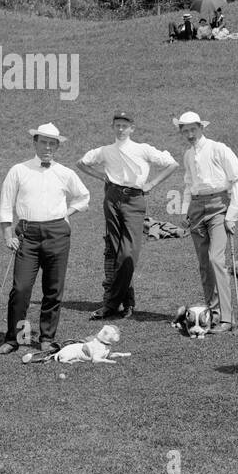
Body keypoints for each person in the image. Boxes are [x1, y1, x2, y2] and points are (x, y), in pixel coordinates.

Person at [0, 123, 90, 355]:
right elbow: (6, 204)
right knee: (21, 288)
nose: (48, 147)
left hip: (57, 234)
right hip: (27, 235)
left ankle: (47, 337)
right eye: (43, 142)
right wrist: (7, 233)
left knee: (53, 288)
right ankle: (15, 338)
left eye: (52, 143)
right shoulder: (18, 170)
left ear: (57, 146)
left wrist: (65, 215)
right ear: (34, 143)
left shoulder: (65, 172)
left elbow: (84, 197)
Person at [76, 111, 178, 320]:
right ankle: (127, 302)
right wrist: (102, 176)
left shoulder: (143, 149)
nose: (121, 129)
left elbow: (172, 164)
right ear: (113, 127)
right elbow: (81, 163)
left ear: (132, 128)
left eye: (125, 125)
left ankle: (111, 303)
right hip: (112, 197)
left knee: (128, 253)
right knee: (114, 251)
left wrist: (151, 184)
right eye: (117, 125)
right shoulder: (105, 151)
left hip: (134, 199)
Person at [174, 110, 238, 335]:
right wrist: (185, 210)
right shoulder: (187, 155)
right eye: (185, 131)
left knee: (216, 259)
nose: (189, 134)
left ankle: (227, 319)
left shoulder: (219, 148)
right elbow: (188, 183)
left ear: (201, 128)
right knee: (204, 264)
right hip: (196, 210)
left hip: (218, 207)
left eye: (192, 130)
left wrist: (232, 214)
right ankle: (211, 315)